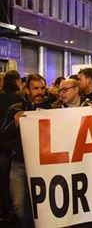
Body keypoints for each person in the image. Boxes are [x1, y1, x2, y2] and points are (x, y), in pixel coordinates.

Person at [3, 74, 52, 228]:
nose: (40, 92)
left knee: (43, 206)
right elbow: (3, 134)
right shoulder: (15, 109)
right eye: (35, 88)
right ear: (27, 90)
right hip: (20, 164)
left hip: (44, 165)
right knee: (19, 205)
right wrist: (15, 123)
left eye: (42, 88)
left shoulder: (51, 108)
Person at [0, 70, 22, 220]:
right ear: (17, 81)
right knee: (11, 182)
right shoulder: (19, 101)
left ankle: (6, 209)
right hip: (13, 146)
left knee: (3, 180)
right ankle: (12, 210)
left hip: (1, 145)